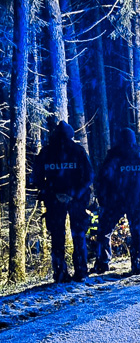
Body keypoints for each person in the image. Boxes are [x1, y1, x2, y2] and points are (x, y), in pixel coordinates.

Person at [31, 120, 94, 283]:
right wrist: (73, 194)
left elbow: (36, 179)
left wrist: (54, 193)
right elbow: (88, 177)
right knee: (78, 235)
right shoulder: (78, 151)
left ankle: (60, 273)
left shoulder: (46, 152)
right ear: (70, 135)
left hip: (55, 201)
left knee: (57, 237)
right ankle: (81, 271)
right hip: (76, 200)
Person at [92, 128, 140, 276]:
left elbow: (102, 180)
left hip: (116, 201)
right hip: (138, 201)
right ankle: (138, 265)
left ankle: (102, 262)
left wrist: (102, 199)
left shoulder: (114, 158)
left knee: (104, 231)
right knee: (137, 232)